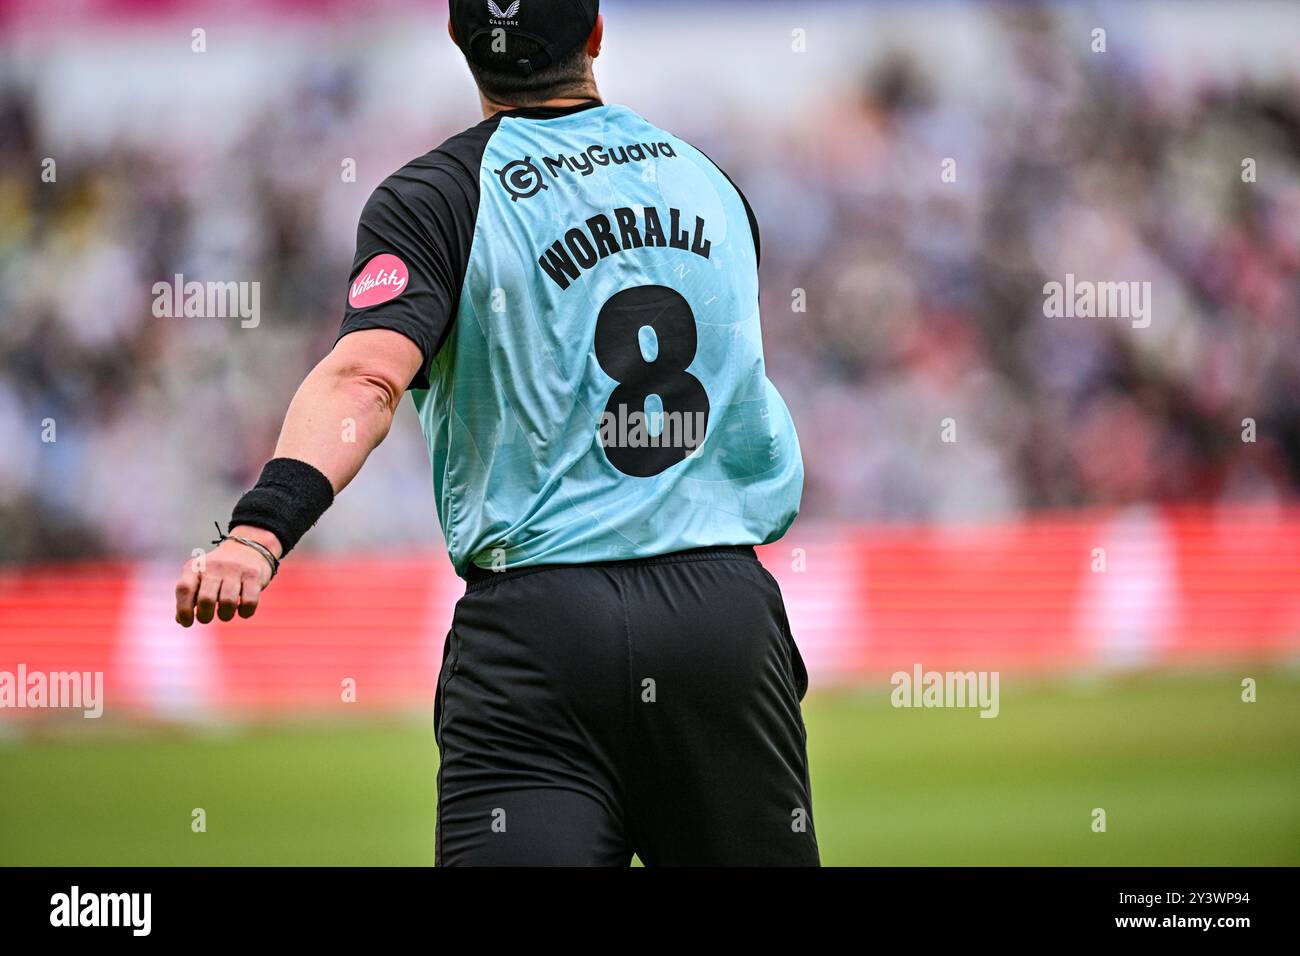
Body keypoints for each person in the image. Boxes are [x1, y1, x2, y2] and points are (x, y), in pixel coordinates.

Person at [174, 0, 817, 866]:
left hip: (542, 634)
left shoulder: (435, 196)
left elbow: (366, 377)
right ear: (595, 33)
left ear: (457, 40)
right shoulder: (710, 182)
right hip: (722, 630)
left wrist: (260, 529)